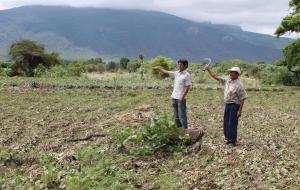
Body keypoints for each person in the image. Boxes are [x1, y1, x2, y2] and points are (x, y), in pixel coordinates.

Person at [203, 65, 248, 146]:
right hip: (227, 105)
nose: (230, 73)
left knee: (232, 123)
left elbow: (242, 98)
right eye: (230, 72)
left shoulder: (239, 85)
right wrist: (208, 69)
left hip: (235, 105)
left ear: (237, 74)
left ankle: (232, 141)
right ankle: (227, 138)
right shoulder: (228, 81)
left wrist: (239, 110)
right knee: (226, 123)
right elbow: (216, 77)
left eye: (232, 72)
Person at [153, 59, 192, 129]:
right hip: (174, 97)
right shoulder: (176, 73)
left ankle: (185, 130)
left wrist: (182, 97)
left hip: (180, 98)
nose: (179, 66)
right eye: (178, 64)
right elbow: (166, 72)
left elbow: (187, 86)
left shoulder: (187, 75)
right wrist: (159, 68)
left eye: (181, 64)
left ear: (185, 65)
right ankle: (178, 129)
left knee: (182, 115)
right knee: (176, 115)